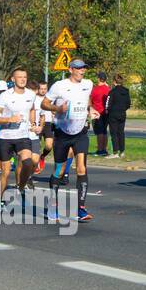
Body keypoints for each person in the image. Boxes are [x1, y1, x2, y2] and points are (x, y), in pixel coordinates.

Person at [43, 58, 97, 222]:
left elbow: (87, 98)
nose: (82, 71)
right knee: (59, 171)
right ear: (71, 69)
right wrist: (57, 108)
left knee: (81, 168)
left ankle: (81, 209)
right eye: (79, 68)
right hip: (62, 133)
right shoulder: (59, 86)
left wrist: (90, 109)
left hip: (80, 133)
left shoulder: (88, 83)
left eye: (84, 68)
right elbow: (44, 104)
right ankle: (52, 207)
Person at [0, 67, 39, 211]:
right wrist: (10, 119)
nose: (23, 79)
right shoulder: (5, 96)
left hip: (23, 136)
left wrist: (33, 124)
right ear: (13, 79)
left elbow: (31, 109)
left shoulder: (30, 94)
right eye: (20, 77)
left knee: (28, 162)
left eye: (25, 77)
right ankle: (0, 201)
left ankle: (19, 189)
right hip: (5, 138)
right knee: (5, 171)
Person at [105, 75, 130, 158]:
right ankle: (122, 152)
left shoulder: (112, 92)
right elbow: (128, 103)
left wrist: (108, 110)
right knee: (121, 133)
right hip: (122, 114)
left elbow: (108, 103)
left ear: (114, 82)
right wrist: (123, 109)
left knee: (114, 133)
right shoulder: (126, 91)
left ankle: (115, 152)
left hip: (113, 114)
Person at [90, 73, 111, 156]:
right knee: (104, 131)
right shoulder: (108, 89)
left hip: (97, 112)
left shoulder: (95, 89)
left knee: (99, 132)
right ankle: (104, 149)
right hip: (106, 112)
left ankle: (99, 149)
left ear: (98, 79)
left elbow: (90, 100)